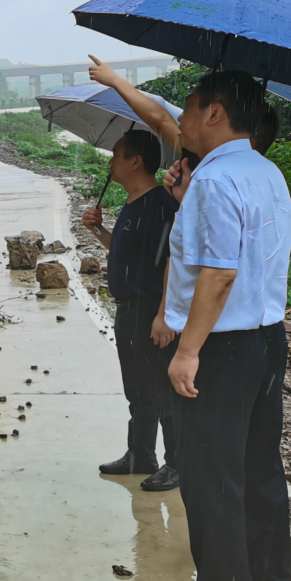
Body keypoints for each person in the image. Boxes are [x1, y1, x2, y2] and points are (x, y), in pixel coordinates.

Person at [160, 70, 291, 581]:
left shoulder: (214, 180)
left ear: (215, 113)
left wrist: (188, 350)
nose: (182, 120)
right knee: (262, 476)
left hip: (225, 346)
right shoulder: (267, 172)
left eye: (188, 109)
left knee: (215, 484)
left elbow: (217, 275)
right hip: (268, 342)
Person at [81, 129, 180, 491]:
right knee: (137, 389)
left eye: (117, 154)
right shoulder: (132, 201)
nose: (111, 161)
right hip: (127, 307)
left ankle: (176, 464)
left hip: (150, 306)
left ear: (135, 162)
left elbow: (175, 260)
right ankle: (140, 454)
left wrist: (165, 314)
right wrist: (99, 231)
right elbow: (127, 252)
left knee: (161, 390)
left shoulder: (161, 205)